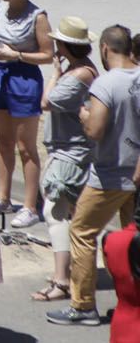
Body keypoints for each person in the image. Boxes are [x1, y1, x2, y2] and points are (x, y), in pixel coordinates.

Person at [47, 24, 140, 326]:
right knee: (133, 238)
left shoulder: (106, 84)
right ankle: (132, 300)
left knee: (82, 232)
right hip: (136, 174)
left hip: (109, 175)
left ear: (104, 49)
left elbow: (96, 130)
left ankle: (83, 305)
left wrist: (85, 116)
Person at [34, 16, 97, 305]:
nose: (54, 45)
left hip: (70, 154)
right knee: (68, 214)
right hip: (67, 151)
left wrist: (54, 74)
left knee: (55, 213)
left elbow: (46, 102)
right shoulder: (80, 70)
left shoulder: (79, 76)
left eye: (58, 42)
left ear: (66, 46)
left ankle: (61, 281)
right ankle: (70, 271)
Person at [0, 0, 53, 227]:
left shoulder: (38, 16)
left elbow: (48, 55)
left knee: (26, 147)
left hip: (24, 78)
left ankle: (30, 206)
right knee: (3, 142)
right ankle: (2, 196)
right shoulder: (0, 8)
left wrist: (18, 55)